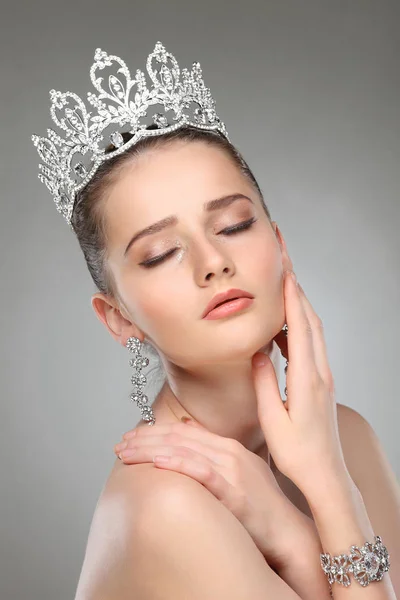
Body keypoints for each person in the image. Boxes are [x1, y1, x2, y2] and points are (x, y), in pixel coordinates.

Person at [32, 42, 399, 600]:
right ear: (119, 318)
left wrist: (319, 486)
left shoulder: (344, 436)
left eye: (233, 225)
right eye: (159, 254)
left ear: (280, 246)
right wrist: (304, 540)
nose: (214, 263)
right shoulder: (164, 504)